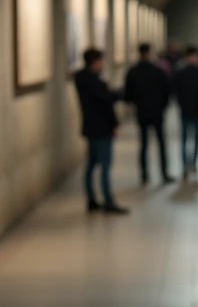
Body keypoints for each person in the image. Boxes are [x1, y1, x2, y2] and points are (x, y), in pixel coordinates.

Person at [74, 48, 128, 214]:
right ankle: (108, 201)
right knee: (104, 165)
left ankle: (91, 199)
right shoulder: (94, 82)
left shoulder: (82, 79)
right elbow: (106, 102)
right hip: (102, 128)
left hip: (91, 127)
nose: (102, 64)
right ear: (95, 61)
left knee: (91, 164)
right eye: (100, 61)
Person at [124, 43, 174, 185]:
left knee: (144, 144)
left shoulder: (133, 72)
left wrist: (138, 103)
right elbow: (167, 91)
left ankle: (144, 175)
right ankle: (164, 173)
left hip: (142, 112)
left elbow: (128, 96)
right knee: (161, 143)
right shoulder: (158, 71)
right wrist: (162, 107)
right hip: (157, 112)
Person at [171, 45, 198, 181]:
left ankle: (193, 164)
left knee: (194, 139)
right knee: (187, 140)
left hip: (194, 111)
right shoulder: (193, 72)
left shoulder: (195, 72)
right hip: (187, 110)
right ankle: (187, 166)